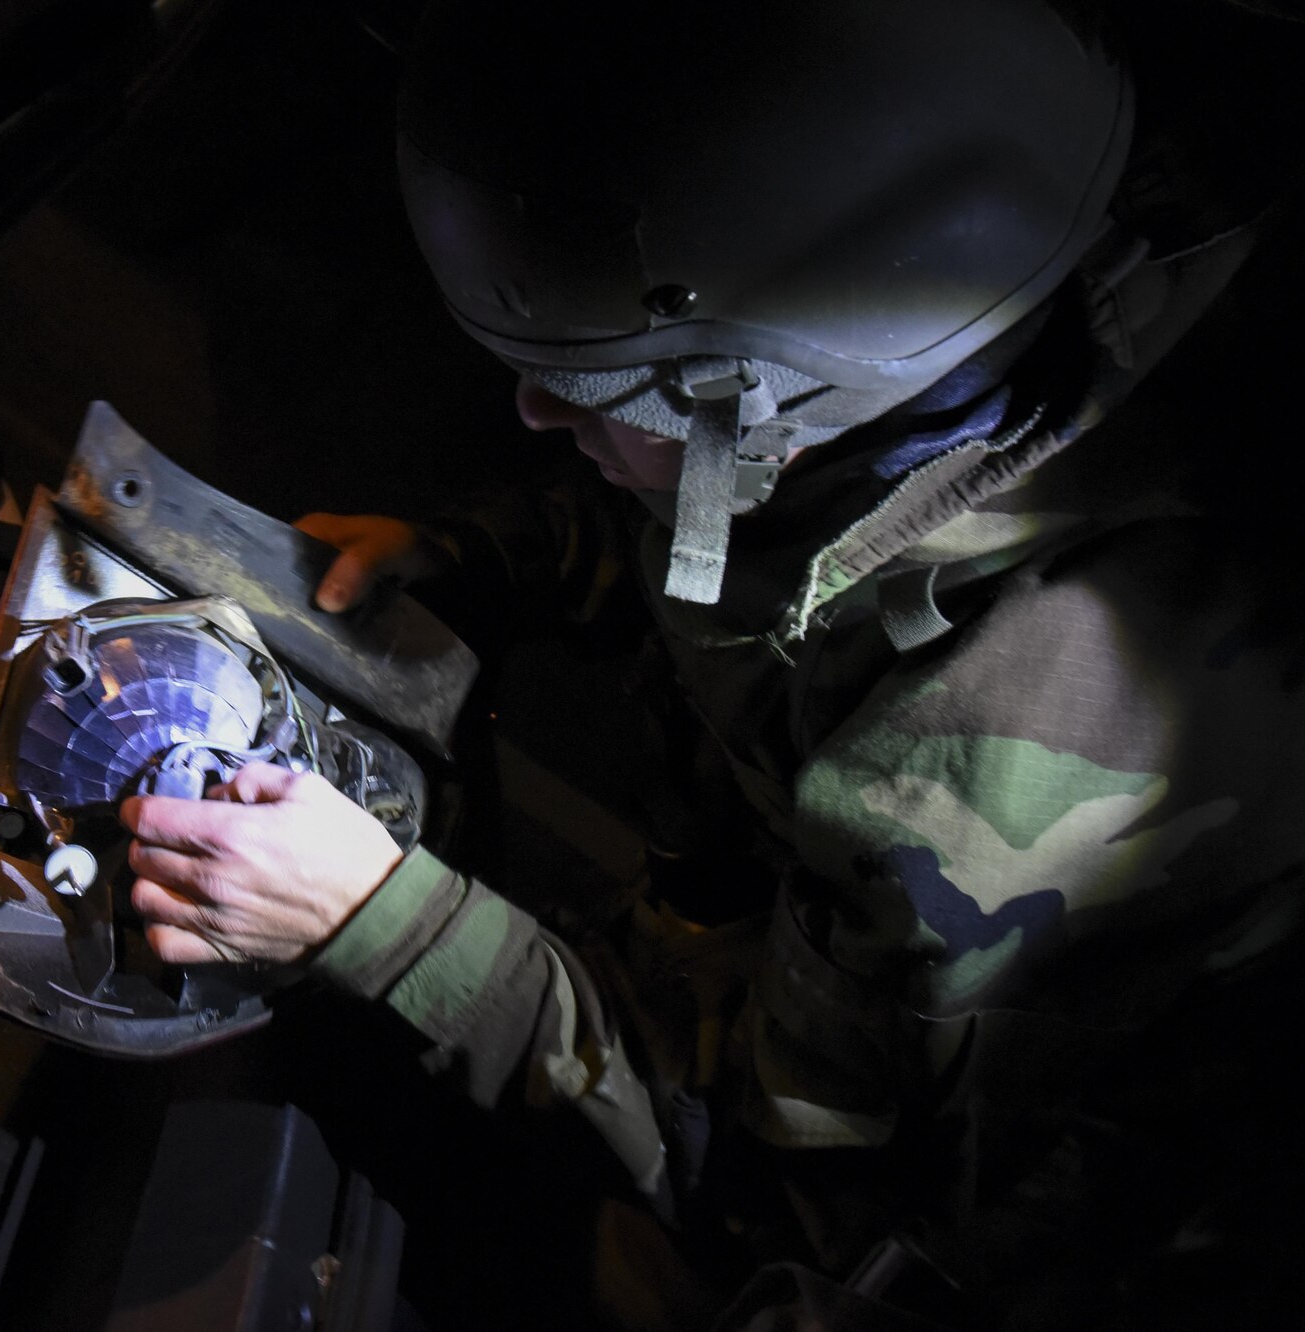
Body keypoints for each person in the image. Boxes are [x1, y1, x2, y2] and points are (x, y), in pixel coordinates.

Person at [120, 1, 1305, 1325]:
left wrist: (384, 924)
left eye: (605, 390)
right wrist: (469, 565)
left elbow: (754, 1174)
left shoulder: (966, 774)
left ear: (783, 398)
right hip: (831, 926)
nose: (530, 412)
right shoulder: (962, 320)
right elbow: (732, 554)